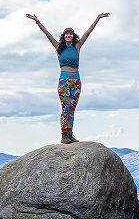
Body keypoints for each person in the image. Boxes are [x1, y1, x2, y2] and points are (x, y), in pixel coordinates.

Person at [26, 11, 109, 143]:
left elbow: (88, 32)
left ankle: (69, 134)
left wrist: (97, 18)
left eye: (70, 33)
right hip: (64, 80)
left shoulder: (77, 46)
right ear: (64, 36)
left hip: (76, 81)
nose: (69, 35)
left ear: (73, 36)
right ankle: (64, 135)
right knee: (65, 107)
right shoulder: (59, 47)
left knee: (72, 108)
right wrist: (37, 21)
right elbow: (47, 34)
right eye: (66, 33)